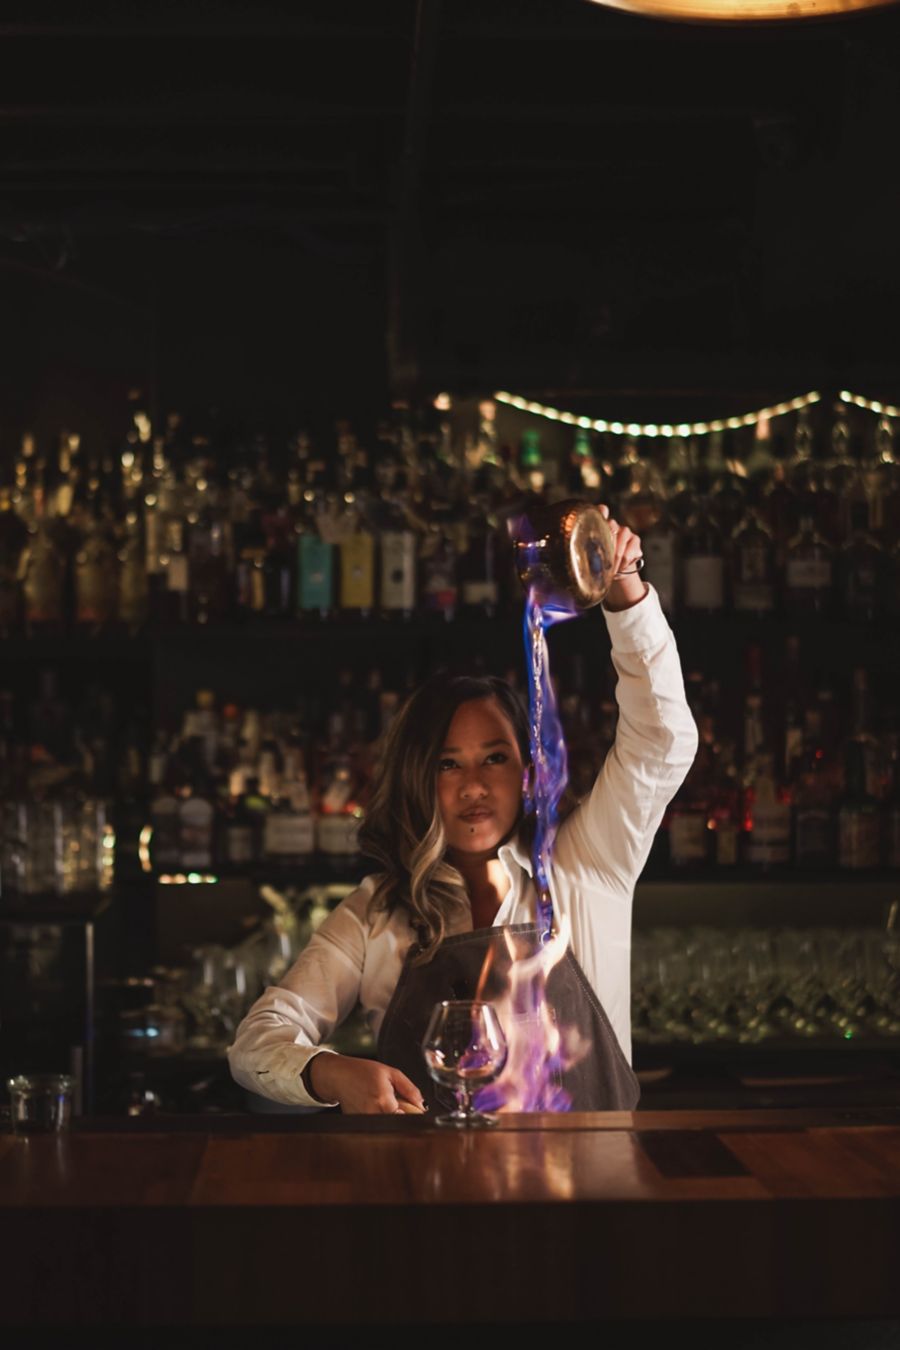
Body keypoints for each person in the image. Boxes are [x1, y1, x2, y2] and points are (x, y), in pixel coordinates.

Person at [227, 506, 698, 1114]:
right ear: (419, 778)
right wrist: (327, 1073)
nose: (473, 785)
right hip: (431, 1199)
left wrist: (626, 593)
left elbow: (662, 737)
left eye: (494, 758)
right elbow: (257, 1042)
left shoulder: (587, 865)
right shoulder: (376, 914)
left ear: (528, 772)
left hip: (589, 1195)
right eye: (448, 763)